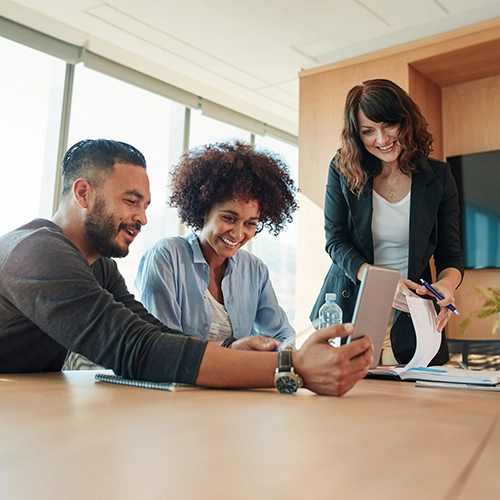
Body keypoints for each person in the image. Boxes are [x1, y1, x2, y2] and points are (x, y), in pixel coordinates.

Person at [0, 138, 373, 396]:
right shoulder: (36, 251)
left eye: (145, 205)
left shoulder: (99, 267)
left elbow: (157, 333)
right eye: (132, 202)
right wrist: (292, 367)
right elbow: (136, 348)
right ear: (83, 193)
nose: (142, 218)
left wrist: (235, 356)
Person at [310, 79, 464, 366]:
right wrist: (378, 283)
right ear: (357, 134)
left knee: (412, 405)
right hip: (351, 303)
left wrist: (446, 285)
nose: (381, 139)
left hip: (412, 311)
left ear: (406, 121)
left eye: (388, 125)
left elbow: (450, 253)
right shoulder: (343, 169)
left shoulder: (438, 177)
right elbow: (336, 240)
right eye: (368, 131)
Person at [134, 140, 296, 348]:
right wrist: (229, 348)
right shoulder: (167, 256)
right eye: (229, 218)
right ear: (203, 210)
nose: (238, 233)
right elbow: (163, 345)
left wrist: (287, 350)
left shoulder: (255, 271)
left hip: (240, 380)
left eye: (250, 223)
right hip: (179, 380)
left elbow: (282, 335)